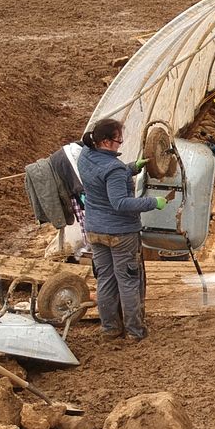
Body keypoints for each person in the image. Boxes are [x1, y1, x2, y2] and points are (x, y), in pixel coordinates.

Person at [80, 117, 172, 341]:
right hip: (120, 234)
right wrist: (154, 203)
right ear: (105, 141)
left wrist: (131, 168)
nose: (121, 143)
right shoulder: (114, 169)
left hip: (95, 230)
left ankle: (110, 328)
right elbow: (119, 203)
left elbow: (102, 180)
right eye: (118, 140)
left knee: (106, 279)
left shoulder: (86, 156)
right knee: (128, 280)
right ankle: (134, 331)